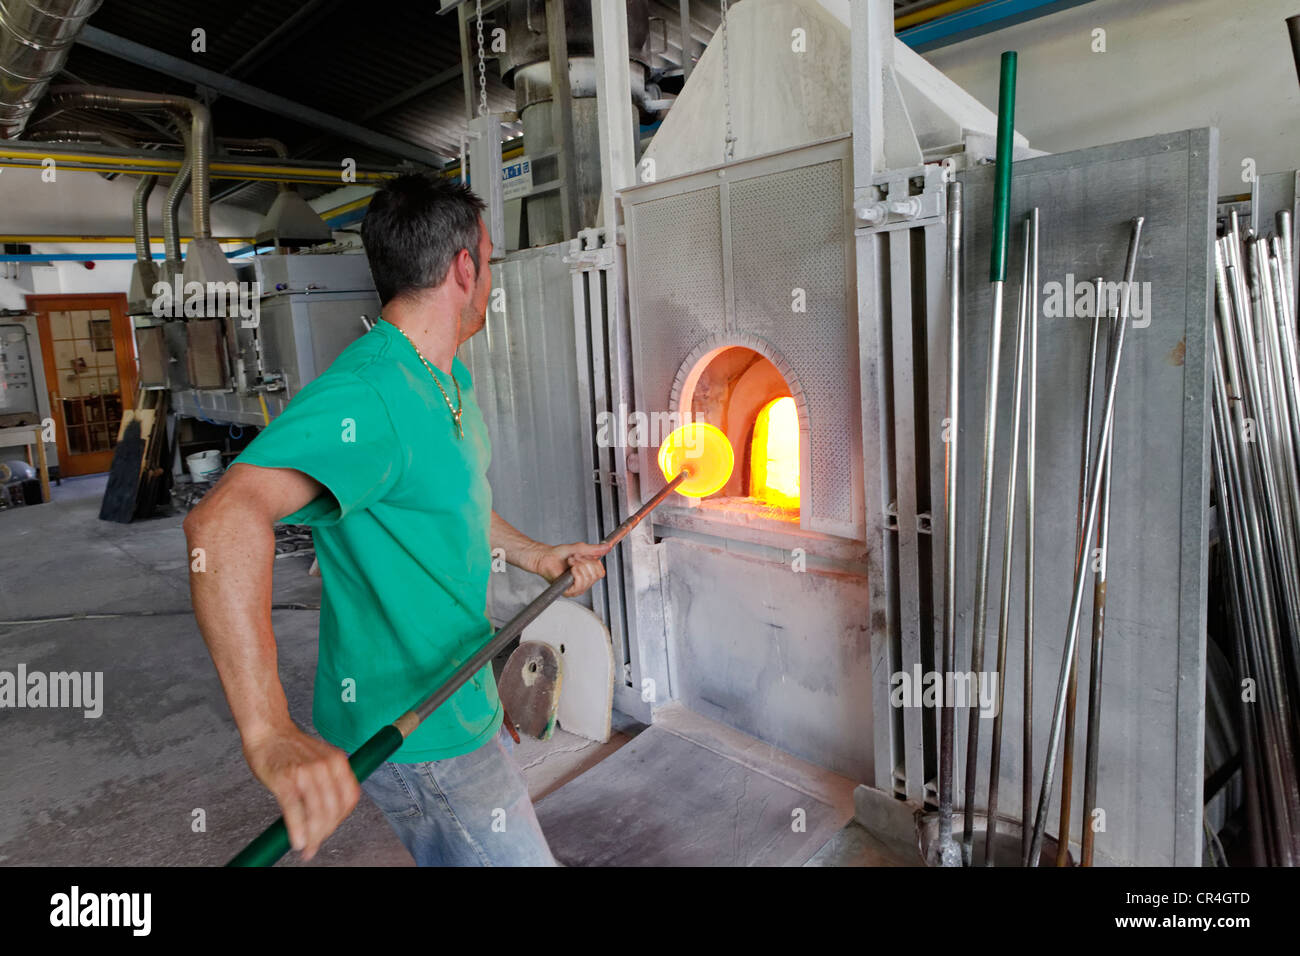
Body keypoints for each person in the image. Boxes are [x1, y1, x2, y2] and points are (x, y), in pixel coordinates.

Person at [184, 173, 608, 866]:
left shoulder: (447, 379)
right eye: (491, 261)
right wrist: (267, 732)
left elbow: (453, 501)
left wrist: (536, 557)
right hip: (416, 732)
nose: (490, 279)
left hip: (461, 691)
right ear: (464, 267)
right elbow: (219, 523)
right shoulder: (371, 395)